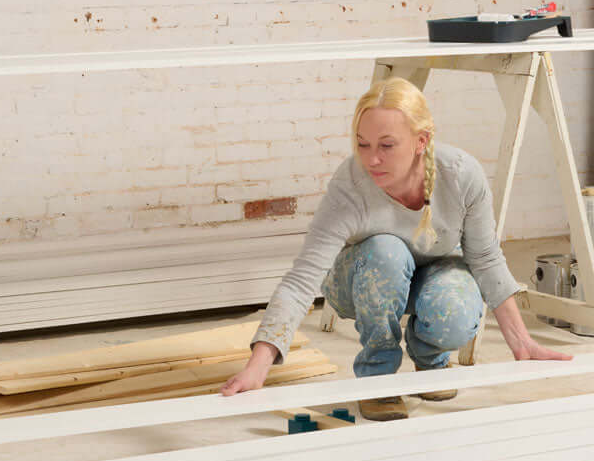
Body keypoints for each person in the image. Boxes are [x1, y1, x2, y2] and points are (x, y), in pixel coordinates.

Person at [220, 76, 570, 420]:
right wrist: (258, 365)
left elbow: (486, 260)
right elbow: (302, 280)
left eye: (386, 146)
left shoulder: (462, 176)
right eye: (363, 144)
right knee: (386, 252)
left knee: (458, 308)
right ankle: (378, 379)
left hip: (431, 275)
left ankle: (429, 358)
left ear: (421, 141)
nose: (372, 159)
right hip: (362, 280)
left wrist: (522, 342)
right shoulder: (350, 187)